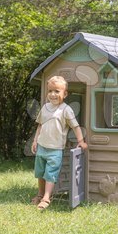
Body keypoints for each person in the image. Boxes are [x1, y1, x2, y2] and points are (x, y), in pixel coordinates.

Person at [31, 75, 87, 210]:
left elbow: (75, 126)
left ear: (65, 93)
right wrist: (35, 140)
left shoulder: (66, 110)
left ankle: (46, 198)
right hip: (42, 146)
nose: (53, 94)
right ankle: (40, 194)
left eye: (57, 91)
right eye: (50, 91)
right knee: (40, 173)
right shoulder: (45, 108)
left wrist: (81, 141)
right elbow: (40, 125)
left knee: (50, 174)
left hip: (55, 149)